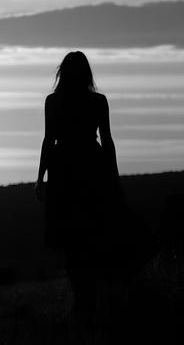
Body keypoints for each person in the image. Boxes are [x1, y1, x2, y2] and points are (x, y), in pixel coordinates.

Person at [34, 51, 123, 314]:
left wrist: (41, 178)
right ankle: (88, 300)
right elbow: (106, 141)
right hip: (91, 167)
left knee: (73, 240)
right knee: (88, 236)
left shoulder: (54, 101)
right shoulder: (97, 101)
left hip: (64, 172)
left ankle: (83, 300)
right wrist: (113, 177)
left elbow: (49, 140)